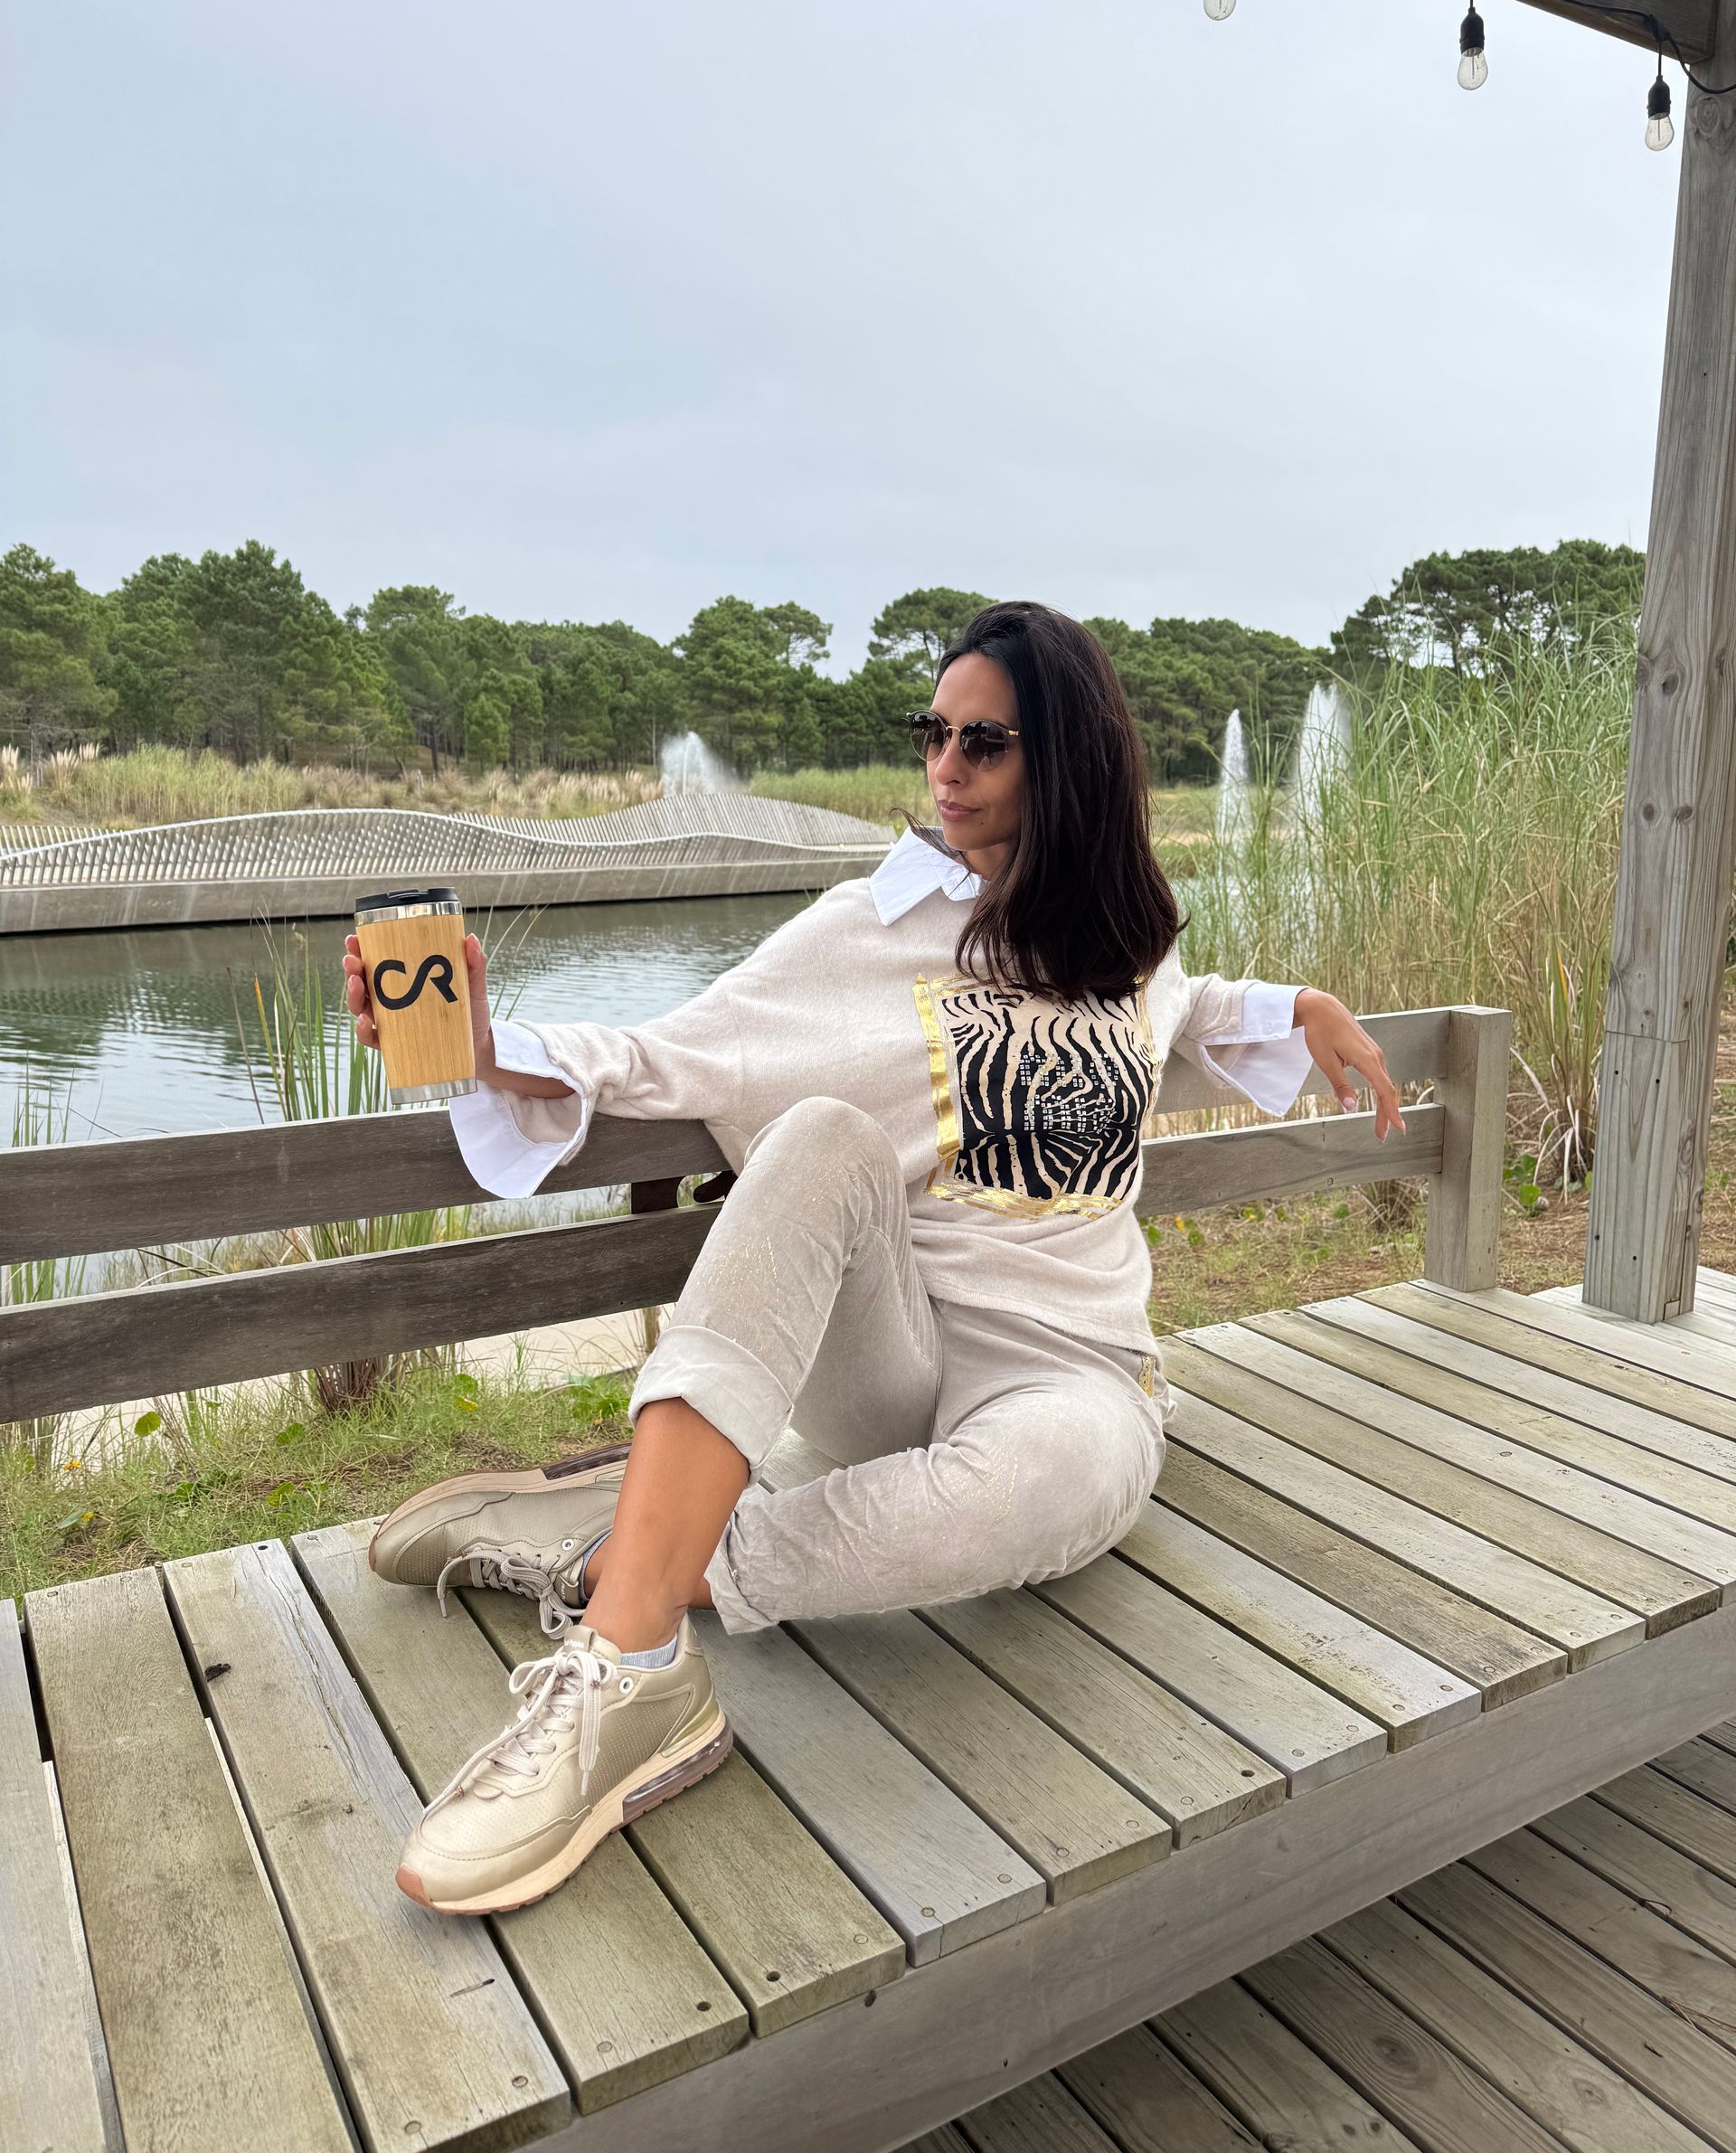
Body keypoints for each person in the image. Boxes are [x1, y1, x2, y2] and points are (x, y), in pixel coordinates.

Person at [344, 600, 1403, 1916]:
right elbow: (672, 1051)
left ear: (1068, 759)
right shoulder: (869, 928)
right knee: (822, 1135)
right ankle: (630, 1670)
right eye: (933, 735)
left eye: (984, 743)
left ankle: (629, 1548)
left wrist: (1297, 1006)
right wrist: (485, 1047)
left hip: (1073, 1382)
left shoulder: (1129, 945)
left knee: (1053, 1479)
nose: (944, 769)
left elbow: (1182, 1008)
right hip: (892, 1364)